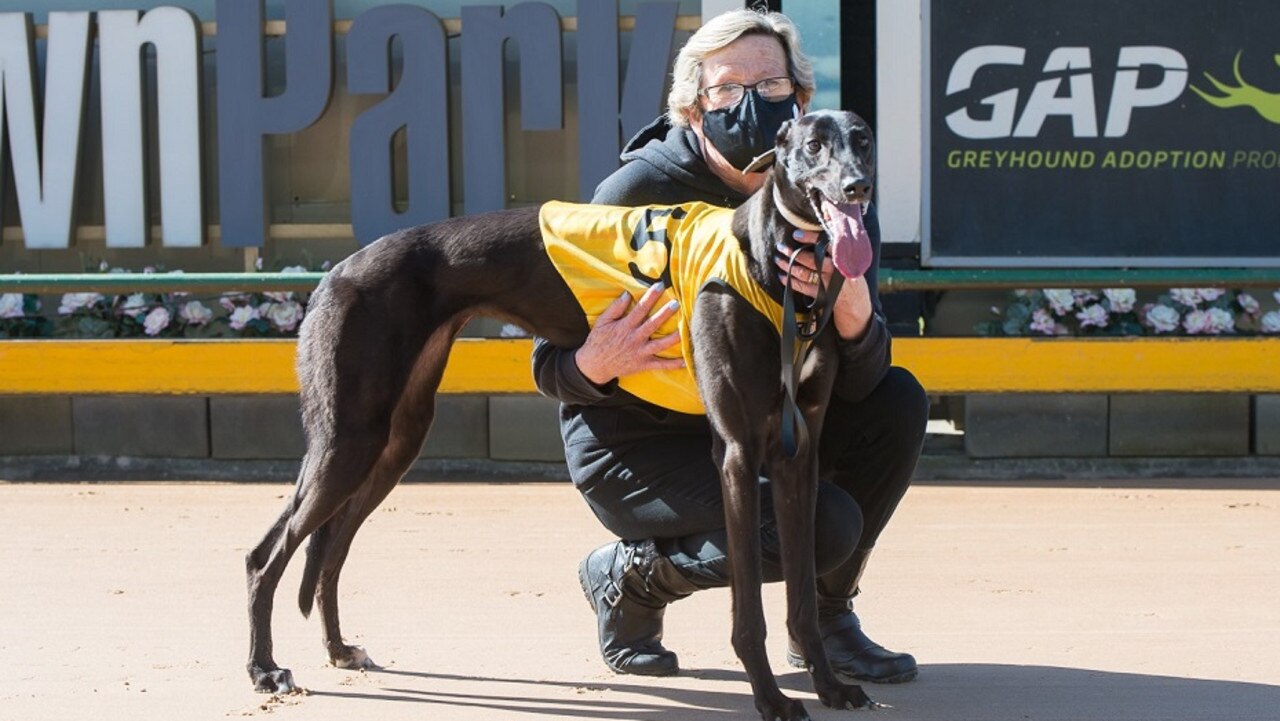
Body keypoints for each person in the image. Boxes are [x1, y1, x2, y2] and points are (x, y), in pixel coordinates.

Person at [532, 8, 929, 684]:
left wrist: (851, 299)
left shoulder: (830, 189)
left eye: (771, 86)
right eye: (726, 90)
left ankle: (826, 619)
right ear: (693, 109)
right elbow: (549, 365)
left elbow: (861, 380)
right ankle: (632, 577)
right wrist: (596, 360)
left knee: (897, 402)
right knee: (822, 523)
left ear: (801, 101)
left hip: (759, 422)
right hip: (642, 444)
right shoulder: (636, 193)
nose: (751, 104)